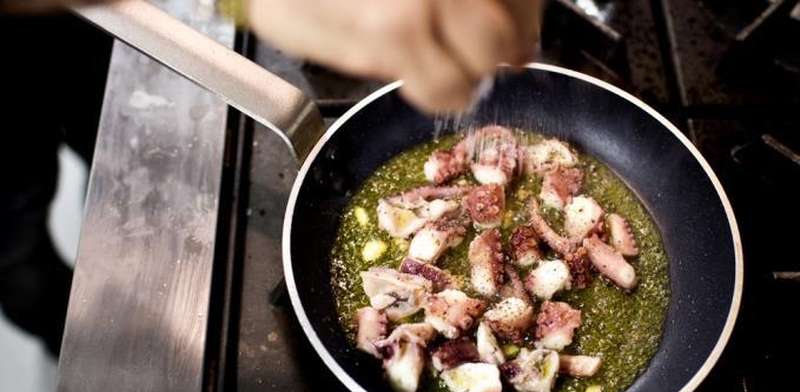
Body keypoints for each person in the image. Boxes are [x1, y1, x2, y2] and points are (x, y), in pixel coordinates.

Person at [0, 0, 543, 356]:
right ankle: (58, 327)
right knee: (15, 241)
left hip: (94, 18)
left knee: (107, 130)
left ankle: (96, 187)